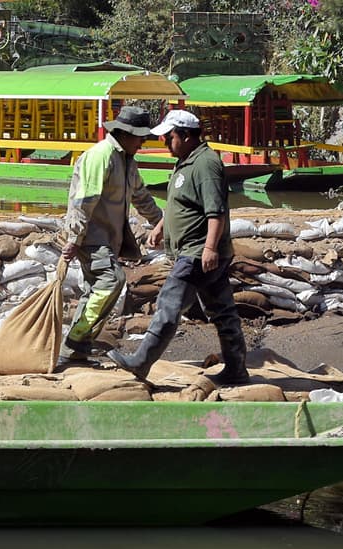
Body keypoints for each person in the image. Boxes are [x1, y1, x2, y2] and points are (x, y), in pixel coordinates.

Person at [107, 109, 249, 385]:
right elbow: (180, 204)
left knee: (169, 303)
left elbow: (215, 211)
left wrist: (210, 248)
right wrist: (161, 226)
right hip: (196, 251)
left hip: (197, 252)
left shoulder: (205, 165)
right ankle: (237, 369)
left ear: (185, 136)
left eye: (168, 137)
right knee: (222, 310)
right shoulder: (186, 161)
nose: (164, 142)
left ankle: (141, 362)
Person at [57, 104, 165, 370]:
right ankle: (73, 343)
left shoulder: (127, 160)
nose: (142, 143)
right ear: (125, 134)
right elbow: (84, 202)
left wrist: (161, 222)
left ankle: (75, 350)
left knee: (96, 289)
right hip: (90, 236)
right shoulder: (101, 156)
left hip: (108, 238)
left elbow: (141, 196)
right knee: (111, 280)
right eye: (140, 138)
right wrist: (74, 239)